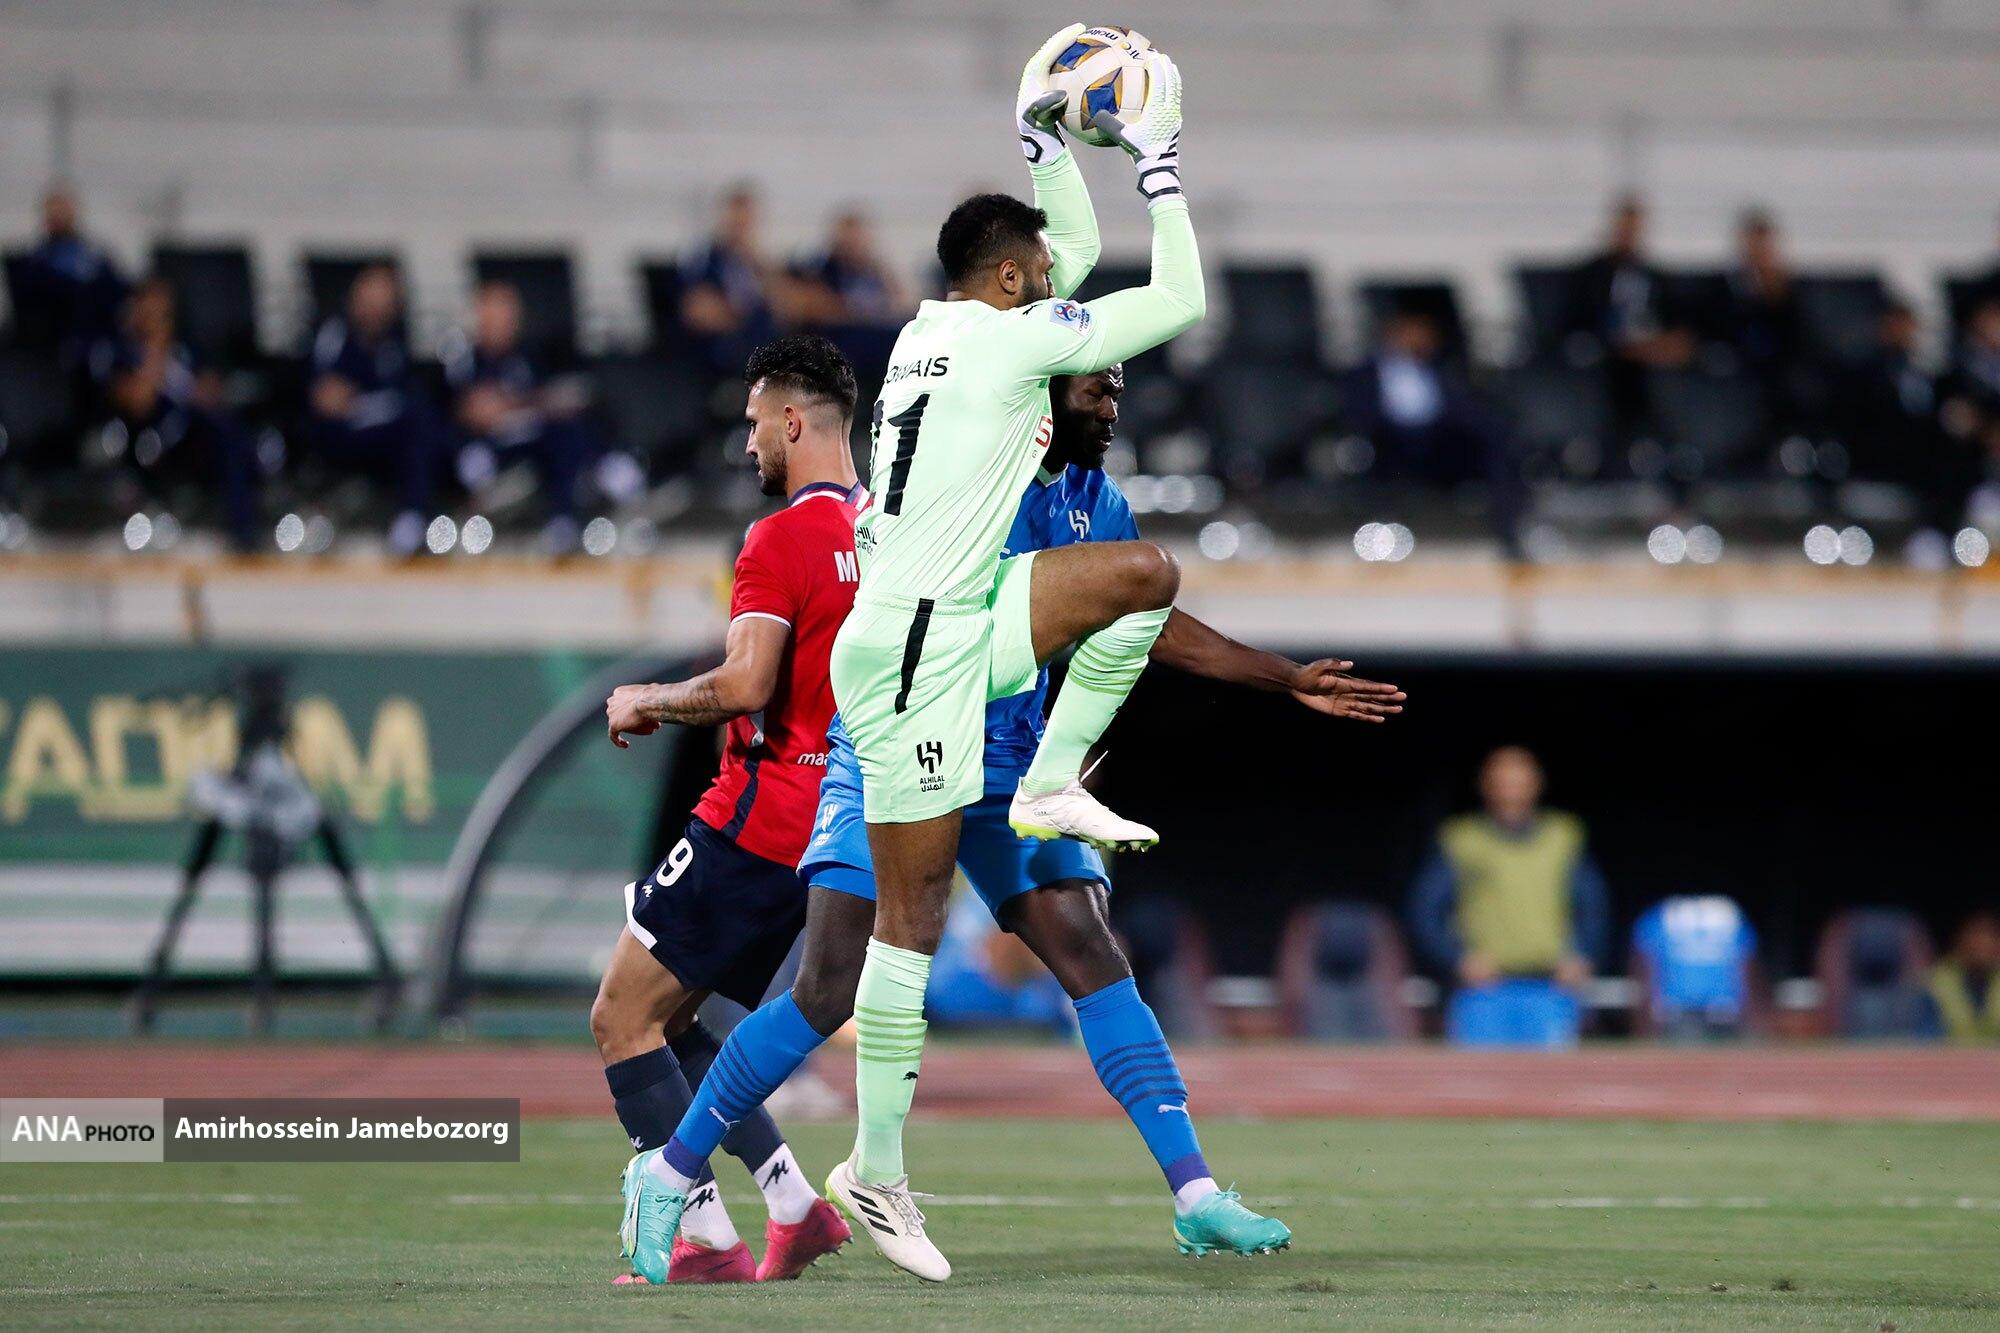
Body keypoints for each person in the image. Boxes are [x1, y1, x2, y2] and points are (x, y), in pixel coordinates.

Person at [633, 363, 1404, 1282]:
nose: (1112, 410)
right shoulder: (965, 474)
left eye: (1117, 392)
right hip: (896, 739)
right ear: (1044, 397)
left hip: (1003, 759)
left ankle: (1196, 1194)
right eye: (1097, 393)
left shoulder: (1096, 501)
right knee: (827, 988)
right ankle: (669, 1172)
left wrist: (1284, 677)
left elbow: (1148, 618)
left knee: (1093, 953)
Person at [594, 334, 863, 1286]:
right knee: (674, 1020)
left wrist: (649, 698)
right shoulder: (889, 533)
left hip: (757, 815)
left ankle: (704, 1236)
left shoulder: (780, 537)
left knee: (621, 1016)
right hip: (838, 818)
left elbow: (747, 683)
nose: (748, 443)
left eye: (754, 423)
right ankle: (792, 1204)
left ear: (792, 421)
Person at [1409, 746, 1609, 1048]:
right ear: (1485, 786)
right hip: (1484, 990)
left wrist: (1582, 956)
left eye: (1519, 783)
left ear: (1536, 785)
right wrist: (1455, 959)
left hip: (1549, 987)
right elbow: (1426, 910)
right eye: (1501, 783)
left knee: (1554, 1072)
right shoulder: (1462, 839)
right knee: (1477, 1073)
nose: (1510, 792)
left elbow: (1592, 905)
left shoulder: (1563, 837)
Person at [444, 280, 638, 554]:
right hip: (489, 446)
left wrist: (512, 403)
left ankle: (574, 507)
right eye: (492, 313)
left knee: (568, 429)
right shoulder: (464, 360)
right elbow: (473, 411)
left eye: (507, 314)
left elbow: (548, 397)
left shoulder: (529, 356)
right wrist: (510, 405)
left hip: (535, 437)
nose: (501, 322)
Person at [93, 277, 260, 551]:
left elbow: (211, 391)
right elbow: (138, 403)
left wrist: (197, 387)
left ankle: (246, 526)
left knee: (230, 431)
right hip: (150, 442)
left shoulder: (185, 350)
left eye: (165, 313)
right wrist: (156, 350)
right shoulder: (122, 353)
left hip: (197, 436)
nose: (159, 320)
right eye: (151, 312)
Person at [1341, 306, 1521, 555]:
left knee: (1497, 446)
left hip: (1439, 443)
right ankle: (1379, 541)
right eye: (1414, 330)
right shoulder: (1364, 373)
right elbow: (1358, 416)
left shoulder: (1444, 371)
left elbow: (1466, 412)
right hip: (1388, 444)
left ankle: (1510, 536)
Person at [305, 264, 445, 554]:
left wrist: (361, 400)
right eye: (370, 302)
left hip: (383, 435)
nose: (375, 311)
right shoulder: (334, 335)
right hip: (338, 435)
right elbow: (326, 398)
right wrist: (357, 402)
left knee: (420, 425)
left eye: (384, 305)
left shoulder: (393, 345)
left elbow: (398, 396)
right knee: (413, 422)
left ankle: (415, 517)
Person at [1567, 194, 1695, 455]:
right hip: (1612, 352)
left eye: (1634, 229)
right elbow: (1582, 321)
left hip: (1653, 350)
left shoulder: (1654, 276)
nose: (1629, 235)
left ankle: (1672, 449)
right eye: (1625, 228)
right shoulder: (1593, 275)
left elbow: (1674, 317)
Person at [680, 186, 797, 378]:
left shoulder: (757, 264)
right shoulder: (706, 260)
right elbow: (699, 312)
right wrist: (746, 317)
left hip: (762, 345)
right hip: (724, 349)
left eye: (746, 222)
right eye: (736, 222)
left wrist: (758, 265)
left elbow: (787, 309)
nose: (741, 229)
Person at [13, 185, 127, 359]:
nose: (58, 217)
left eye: (63, 211)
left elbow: (115, 293)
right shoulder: (35, 262)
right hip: (50, 344)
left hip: (93, 339)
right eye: (54, 212)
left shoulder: (94, 257)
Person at [1629, 895, 1761, 1041]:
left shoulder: (1656, 916)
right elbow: (1747, 976)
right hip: (1681, 1017)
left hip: (1716, 1015)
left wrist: (1646, 1030)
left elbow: (1645, 975)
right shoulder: (1732, 915)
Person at [1722, 208, 1806, 439]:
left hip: (1779, 370)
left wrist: (1776, 296)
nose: (1759, 252)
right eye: (1754, 245)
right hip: (1742, 367)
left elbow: (1797, 337)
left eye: (1764, 246)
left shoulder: (1790, 291)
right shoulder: (1730, 287)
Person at [1921, 910, 2000, 1044]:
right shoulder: (1935, 982)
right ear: (1961, 940)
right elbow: (1926, 1038)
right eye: (1976, 937)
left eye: (1989, 937)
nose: (1982, 945)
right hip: (1948, 1054)